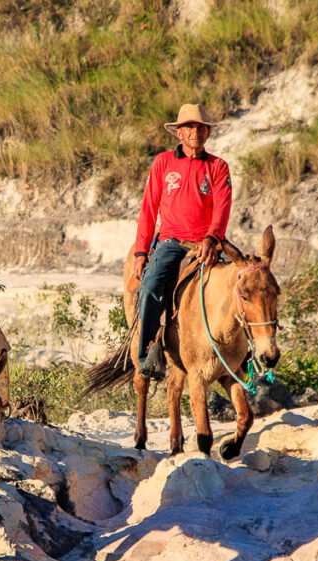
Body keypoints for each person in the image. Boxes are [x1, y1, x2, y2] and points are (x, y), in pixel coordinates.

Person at [132, 103, 233, 380]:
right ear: (179, 133)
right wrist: (141, 252)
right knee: (150, 287)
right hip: (171, 241)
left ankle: (243, 358)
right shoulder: (163, 163)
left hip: (207, 243)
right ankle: (149, 355)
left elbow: (223, 207)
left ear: (207, 133)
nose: (195, 132)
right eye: (189, 127)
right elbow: (148, 209)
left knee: (242, 285)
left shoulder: (218, 167)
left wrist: (212, 239)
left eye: (201, 127)